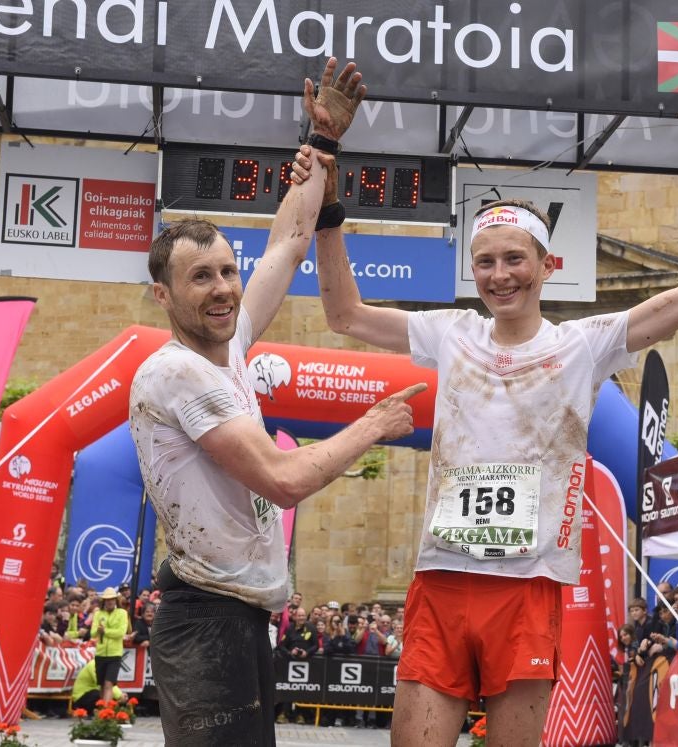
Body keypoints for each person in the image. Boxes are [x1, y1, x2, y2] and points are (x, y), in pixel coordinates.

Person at [297, 101, 678, 746]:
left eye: (514, 259)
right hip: (443, 578)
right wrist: (330, 212)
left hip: (528, 586)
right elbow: (344, 314)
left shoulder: (583, 343)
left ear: (547, 266)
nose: (499, 276)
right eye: (485, 263)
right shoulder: (449, 332)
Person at [128, 57, 424, 747]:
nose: (224, 287)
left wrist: (322, 141)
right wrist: (374, 424)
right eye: (200, 277)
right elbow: (285, 479)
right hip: (205, 619)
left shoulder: (227, 348)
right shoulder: (177, 373)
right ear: (164, 296)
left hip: (234, 617)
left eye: (229, 270)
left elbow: (291, 241)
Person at [91, 587, 129, 702]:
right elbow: (92, 633)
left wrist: (105, 631)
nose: (110, 601)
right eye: (107, 599)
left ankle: (105, 713)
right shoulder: (98, 613)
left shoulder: (122, 613)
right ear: (104, 601)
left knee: (109, 683)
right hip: (100, 654)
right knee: (102, 685)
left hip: (115, 655)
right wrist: (98, 629)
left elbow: (121, 632)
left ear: (116, 600)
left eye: (112, 599)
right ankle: (103, 712)